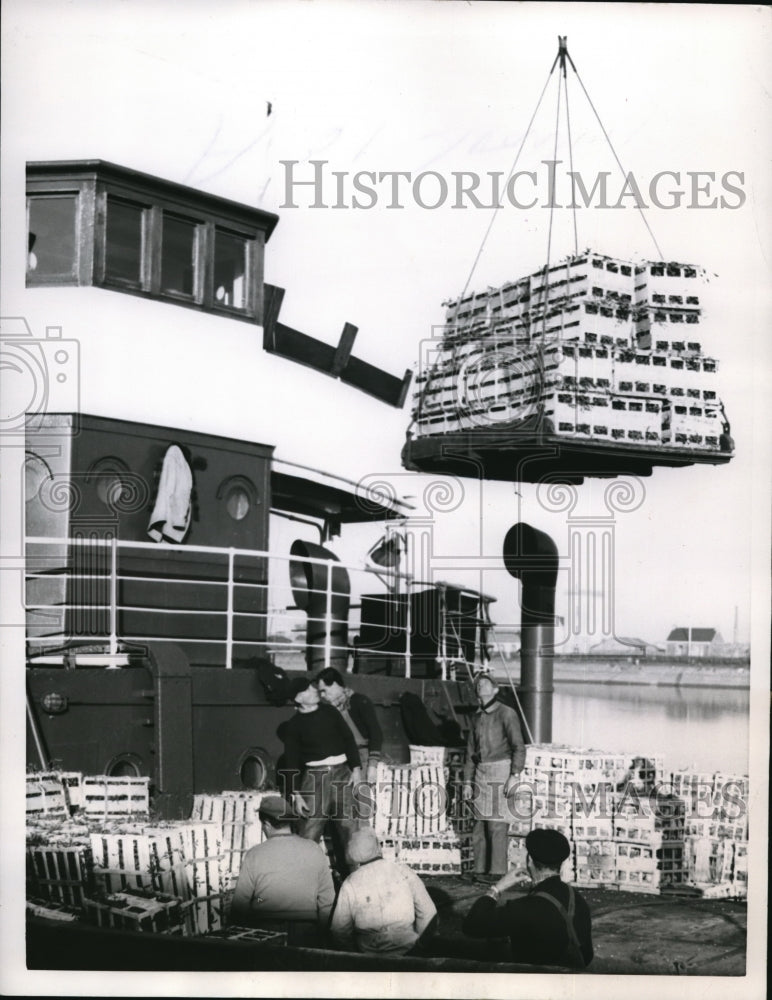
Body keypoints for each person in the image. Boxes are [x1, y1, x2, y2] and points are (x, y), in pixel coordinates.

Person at [462, 828, 593, 969]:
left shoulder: (525, 908)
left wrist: (497, 888)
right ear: (560, 863)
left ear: (529, 860)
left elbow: (472, 925)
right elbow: (587, 954)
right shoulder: (577, 898)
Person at [280, 675, 362, 876]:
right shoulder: (294, 725)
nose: (315, 690)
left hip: (343, 774)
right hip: (314, 779)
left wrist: (357, 769)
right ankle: (302, 884)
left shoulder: (330, 712)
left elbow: (348, 739)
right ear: (298, 698)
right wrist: (296, 794)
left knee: (349, 828)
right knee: (310, 830)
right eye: (308, 689)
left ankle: (355, 880)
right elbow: (291, 760)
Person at [229, 795, 335, 945]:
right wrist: (321, 935)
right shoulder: (314, 849)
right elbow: (327, 901)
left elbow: (240, 905)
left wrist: (259, 902)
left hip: (265, 932)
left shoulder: (255, 854)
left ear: (266, 824)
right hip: (307, 932)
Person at [330, 826, 437, 956]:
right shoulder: (403, 871)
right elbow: (428, 912)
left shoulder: (350, 883)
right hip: (408, 952)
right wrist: (420, 946)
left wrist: (356, 956)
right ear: (378, 847)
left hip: (368, 957)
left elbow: (339, 931)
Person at [463, 672, 526, 882]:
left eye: (486, 684)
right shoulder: (476, 717)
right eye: (478, 684)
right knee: (479, 824)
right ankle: (480, 870)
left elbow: (518, 746)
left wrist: (514, 775)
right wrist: (467, 782)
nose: (481, 687)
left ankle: (497, 873)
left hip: (501, 770)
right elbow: (471, 753)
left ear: (496, 689)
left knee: (497, 824)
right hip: (481, 771)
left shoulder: (507, 714)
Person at [316, 667, 383, 779]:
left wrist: (372, 766)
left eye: (324, 690)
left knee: (360, 794)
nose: (322, 695)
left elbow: (376, 733)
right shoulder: (328, 710)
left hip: (363, 759)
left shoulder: (359, 701)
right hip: (341, 760)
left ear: (335, 684)